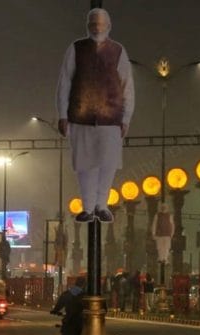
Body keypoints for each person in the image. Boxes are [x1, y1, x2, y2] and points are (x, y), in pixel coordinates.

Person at [56, 7, 135, 223]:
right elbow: (65, 83)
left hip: (111, 118)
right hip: (80, 117)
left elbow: (127, 86)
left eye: (101, 24)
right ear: (88, 26)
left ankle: (102, 205)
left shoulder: (118, 51)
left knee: (107, 164)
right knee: (85, 164)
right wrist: (62, 114)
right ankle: (88, 207)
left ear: (108, 27)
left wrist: (126, 117)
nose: (97, 28)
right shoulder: (76, 49)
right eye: (93, 24)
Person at [152, 204, 175, 270]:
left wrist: (171, 234)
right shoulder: (157, 215)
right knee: (160, 247)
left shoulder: (169, 215)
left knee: (166, 247)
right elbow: (154, 224)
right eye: (162, 207)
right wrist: (153, 233)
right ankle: (161, 258)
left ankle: (165, 259)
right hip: (160, 235)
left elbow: (172, 225)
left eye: (164, 207)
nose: (163, 208)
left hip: (166, 234)